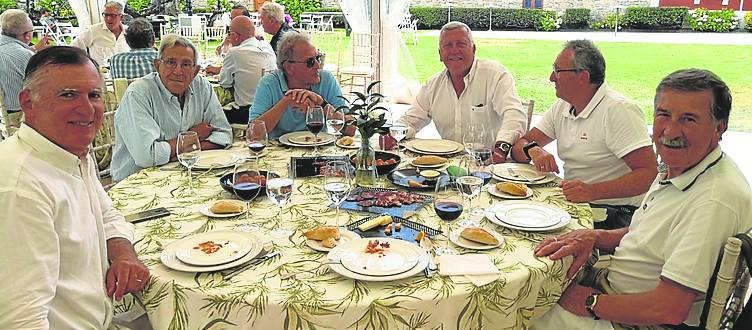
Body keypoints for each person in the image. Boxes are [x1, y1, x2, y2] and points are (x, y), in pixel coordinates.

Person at [530, 69, 752, 330]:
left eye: (689, 119)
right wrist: (595, 237)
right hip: (616, 289)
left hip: (633, 320)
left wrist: (589, 303)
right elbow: (647, 237)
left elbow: (669, 308)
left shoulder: (714, 200)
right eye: (664, 115)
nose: (670, 131)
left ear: (719, 128)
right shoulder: (683, 165)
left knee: (516, 312)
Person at [0, 46, 149, 328]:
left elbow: (106, 215)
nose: (86, 108)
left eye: (93, 95)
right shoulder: (20, 188)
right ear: (27, 102)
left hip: (106, 317)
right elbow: (21, 321)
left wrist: (122, 252)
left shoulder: (70, 151)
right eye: (68, 94)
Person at [510, 40, 657, 230]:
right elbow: (520, 146)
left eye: (557, 71)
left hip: (614, 214)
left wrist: (590, 191)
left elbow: (648, 174)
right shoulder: (563, 106)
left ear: (583, 76)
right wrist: (533, 150)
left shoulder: (618, 110)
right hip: (574, 205)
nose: (551, 78)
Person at [395, 21, 527, 163]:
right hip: (448, 166)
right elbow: (410, 120)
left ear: (473, 49)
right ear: (440, 54)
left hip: (492, 165)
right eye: (448, 45)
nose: (454, 50)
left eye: (461, 44)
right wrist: (392, 133)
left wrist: (501, 149)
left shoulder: (495, 75)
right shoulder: (433, 85)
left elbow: (515, 115)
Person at [111, 35, 232, 181]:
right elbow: (148, 157)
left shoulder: (202, 86)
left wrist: (177, 154)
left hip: (186, 175)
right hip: (138, 182)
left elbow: (224, 135)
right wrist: (193, 136)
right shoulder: (138, 94)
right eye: (170, 62)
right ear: (157, 65)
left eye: (186, 64)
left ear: (195, 71)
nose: (178, 71)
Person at [250, 31, 347, 139]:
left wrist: (322, 104)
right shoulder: (269, 84)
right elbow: (254, 134)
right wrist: (286, 102)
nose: (318, 65)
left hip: (318, 149)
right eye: (310, 61)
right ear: (289, 67)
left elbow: (350, 129)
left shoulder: (327, 80)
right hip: (279, 153)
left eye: (318, 58)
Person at [205, 16, 276, 124]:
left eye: (229, 33)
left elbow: (225, 83)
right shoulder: (267, 47)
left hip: (247, 113)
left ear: (235, 36)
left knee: (208, 113)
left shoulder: (234, 53)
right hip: (272, 109)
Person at [0, 9, 50, 139]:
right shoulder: (25, 56)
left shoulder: (11, 51)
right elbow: (47, 85)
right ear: (27, 36)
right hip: (22, 118)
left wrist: (33, 49)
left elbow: (11, 56)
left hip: (4, 116)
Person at [71, 1, 129, 66]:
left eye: (113, 15)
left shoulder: (129, 32)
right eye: (106, 15)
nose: (108, 19)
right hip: (99, 75)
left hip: (124, 74)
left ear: (121, 17)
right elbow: (74, 48)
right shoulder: (93, 31)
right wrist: (86, 65)